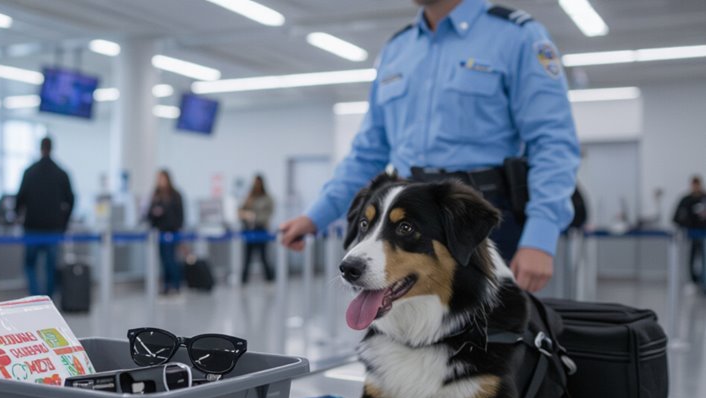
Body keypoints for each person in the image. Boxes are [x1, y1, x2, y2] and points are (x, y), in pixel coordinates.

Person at [279, 0, 580, 293]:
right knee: (402, 339)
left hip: (482, 221)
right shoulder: (397, 49)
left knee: (495, 338)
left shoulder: (517, 35)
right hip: (406, 222)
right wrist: (316, 215)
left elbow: (553, 142)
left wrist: (540, 236)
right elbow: (368, 151)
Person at [15, 137, 74, 297]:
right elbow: (71, 200)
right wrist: (64, 223)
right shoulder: (61, 173)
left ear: (40, 148)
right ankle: (48, 300)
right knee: (50, 267)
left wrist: (16, 216)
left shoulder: (30, 172)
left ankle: (35, 298)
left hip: (32, 227)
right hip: (53, 229)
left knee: (30, 265)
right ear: (52, 148)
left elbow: (19, 199)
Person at [147, 169, 185, 295]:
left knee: (171, 259)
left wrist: (178, 231)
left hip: (172, 232)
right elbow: (149, 214)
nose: (160, 181)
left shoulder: (175, 195)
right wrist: (155, 213)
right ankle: (167, 286)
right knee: (163, 260)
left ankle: (176, 285)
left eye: (162, 178)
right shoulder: (156, 195)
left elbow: (180, 215)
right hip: (160, 233)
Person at [239, 174, 275, 284]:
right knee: (247, 257)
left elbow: (268, 213)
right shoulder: (249, 197)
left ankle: (269, 279)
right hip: (249, 230)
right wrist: (246, 215)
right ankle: (244, 280)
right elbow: (241, 210)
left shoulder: (267, 198)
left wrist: (255, 217)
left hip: (261, 229)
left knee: (263, 256)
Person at [673, 176, 706, 284]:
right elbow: (676, 217)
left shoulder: (704, 198)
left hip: (704, 234)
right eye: (694, 185)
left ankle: (703, 282)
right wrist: (686, 223)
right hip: (691, 234)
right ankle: (692, 281)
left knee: (703, 259)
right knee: (691, 258)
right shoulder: (686, 200)